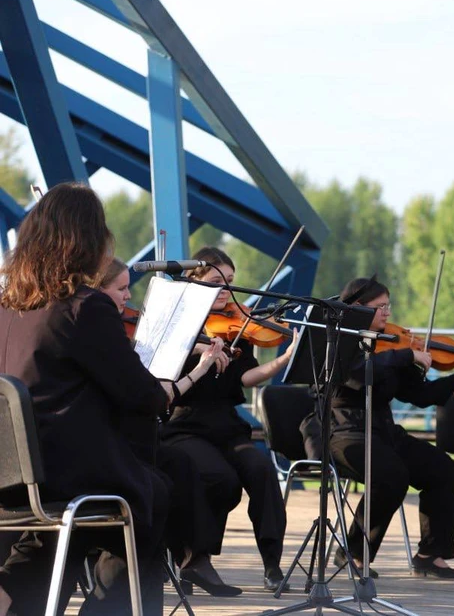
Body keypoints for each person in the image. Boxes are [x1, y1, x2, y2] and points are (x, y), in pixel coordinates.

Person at [0, 182, 223, 616]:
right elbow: (143, 396)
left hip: (14, 471)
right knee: (152, 492)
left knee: (55, 539)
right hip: (67, 472)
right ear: (85, 241)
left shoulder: (6, 306)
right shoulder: (83, 307)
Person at [301, 277, 454, 579]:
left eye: (387, 306)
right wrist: (406, 355)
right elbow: (357, 376)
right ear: (355, 309)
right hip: (344, 431)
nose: (387, 313)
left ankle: (430, 555)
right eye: (378, 307)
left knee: (440, 467)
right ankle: (353, 552)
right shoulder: (339, 341)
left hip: (382, 431)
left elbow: (422, 396)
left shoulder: (392, 346)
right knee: (391, 474)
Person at [98, 258, 243, 596]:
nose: (129, 301)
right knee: (163, 481)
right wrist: (200, 365)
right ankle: (163, 566)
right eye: (121, 290)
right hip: (127, 439)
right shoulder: (101, 329)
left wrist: (196, 350)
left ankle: (191, 559)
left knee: (180, 468)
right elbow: (152, 393)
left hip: (193, 427)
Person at [160, 246, 293, 592]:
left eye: (231, 283)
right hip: (184, 424)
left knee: (262, 470)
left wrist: (283, 360)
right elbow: (158, 360)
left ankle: (272, 564)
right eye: (217, 282)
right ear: (194, 280)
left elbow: (245, 377)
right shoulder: (176, 321)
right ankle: (188, 557)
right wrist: (201, 348)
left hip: (224, 424)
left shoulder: (238, 325)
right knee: (222, 480)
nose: (226, 291)